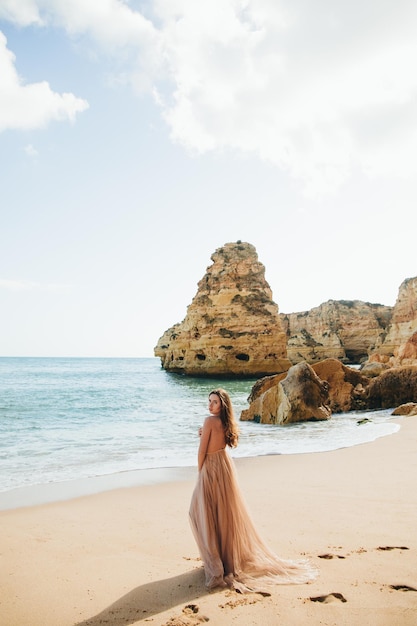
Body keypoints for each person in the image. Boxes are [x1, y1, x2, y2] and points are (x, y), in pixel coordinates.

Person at [189, 388, 318, 592]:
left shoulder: (209, 421)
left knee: (200, 512)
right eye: (209, 401)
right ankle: (224, 562)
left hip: (212, 467)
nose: (210, 405)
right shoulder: (226, 422)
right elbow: (218, 442)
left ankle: (215, 564)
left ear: (222, 404)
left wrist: (200, 472)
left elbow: (202, 450)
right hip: (225, 465)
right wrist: (204, 435)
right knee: (223, 514)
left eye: (214, 402)